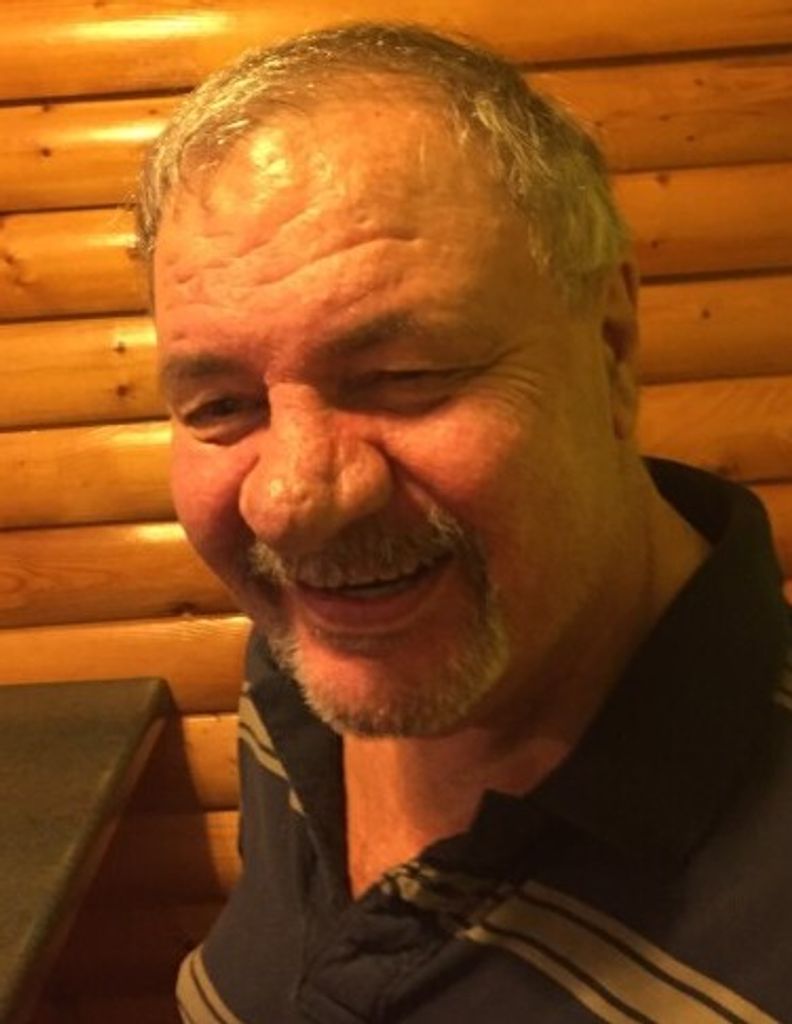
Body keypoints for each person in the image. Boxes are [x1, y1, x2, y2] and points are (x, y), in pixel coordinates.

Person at [138, 22, 792, 1023]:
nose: (291, 502)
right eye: (222, 405)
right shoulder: (320, 651)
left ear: (611, 347)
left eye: (406, 375)